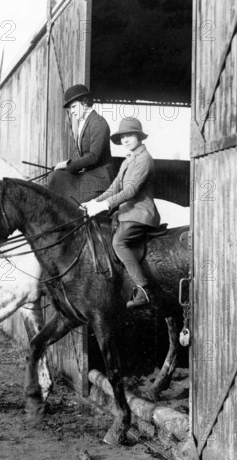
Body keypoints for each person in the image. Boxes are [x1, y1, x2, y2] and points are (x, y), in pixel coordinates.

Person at [82, 117, 160, 308]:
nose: (125, 140)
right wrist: (93, 202)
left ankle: (144, 289)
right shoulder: (127, 161)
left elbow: (130, 191)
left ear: (139, 137)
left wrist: (104, 206)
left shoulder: (144, 159)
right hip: (126, 213)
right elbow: (114, 188)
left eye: (130, 135)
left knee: (119, 242)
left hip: (141, 213)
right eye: (123, 136)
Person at [48, 84, 116, 203]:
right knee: (56, 176)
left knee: (66, 194)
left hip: (100, 178)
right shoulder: (84, 123)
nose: (72, 112)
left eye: (74, 107)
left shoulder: (98, 122)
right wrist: (65, 167)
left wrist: (67, 165)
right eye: (70, 109)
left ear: (85, 102)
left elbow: (94, 157)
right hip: (89, 175)